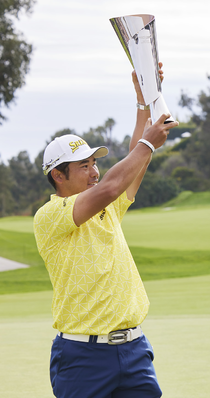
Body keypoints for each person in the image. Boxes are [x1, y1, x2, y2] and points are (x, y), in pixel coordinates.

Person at [33, 65, 178, 398]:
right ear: (58, 176)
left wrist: (143, 103)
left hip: (134, 350)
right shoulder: (51, 215)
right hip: (83, 357)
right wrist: (147, 143)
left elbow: (129, 169)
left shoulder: (106, 207)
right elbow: (112, 185)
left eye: (95, 163)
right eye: (84, 166)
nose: (94, 172)